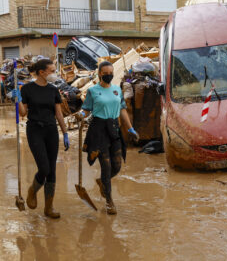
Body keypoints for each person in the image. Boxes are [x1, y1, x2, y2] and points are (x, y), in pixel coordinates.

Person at [76, 61, 138, 215]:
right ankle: (109, 201)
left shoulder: (117, 90)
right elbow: (86, 110)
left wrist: (130, 128)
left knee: (116, 166)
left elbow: (122, 110)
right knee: (106, 166)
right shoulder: (93, 91)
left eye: (111, 72)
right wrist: (80, 115)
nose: (109, 74)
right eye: (105, 72)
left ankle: (102, 182)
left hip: (114, 129)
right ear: (100, 74)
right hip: (98, 130)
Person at [12, 59, 69, 219]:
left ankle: (49, 208)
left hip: (51, 130)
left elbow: (58, 113)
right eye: (52, 71)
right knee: (44, 168)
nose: (54, 74)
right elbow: (23, 113)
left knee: (52, 170)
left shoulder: (53, 90)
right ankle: (32, 190)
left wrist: (65, 133)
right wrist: (17, 100)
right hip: (35, 130)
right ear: (42, 72)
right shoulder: (28, 89)